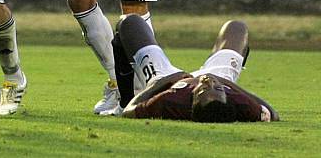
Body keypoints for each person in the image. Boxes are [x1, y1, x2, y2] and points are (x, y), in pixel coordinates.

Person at [113, 14, 278, 122]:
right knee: (237, 27)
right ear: (226, 95)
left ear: (193, 98)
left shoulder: (171, 101)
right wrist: (227, 84)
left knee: (129, 22)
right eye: (217, 89)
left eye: (204, 89)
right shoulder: (238, 102)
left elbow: (130, 112)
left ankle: (123, 98)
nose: (208, 82)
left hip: (169, 80)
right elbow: (273, 114)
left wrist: (165, 81)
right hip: (219, 75)